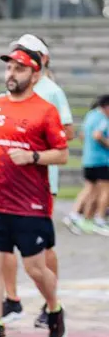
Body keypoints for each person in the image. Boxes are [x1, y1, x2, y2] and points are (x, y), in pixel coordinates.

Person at [0, 46, 68, 337]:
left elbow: (62, 154)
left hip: (31, 205)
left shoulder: (46, 111)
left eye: (19, 69)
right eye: (9, 68)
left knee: (36, 269)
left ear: (35, 74)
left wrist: (33, 157)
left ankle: (54, 307)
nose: (11, 74)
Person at [0, 35, 74, 327]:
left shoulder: (51, 92)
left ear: (39, 61)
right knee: (1, 245)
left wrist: (34, 145)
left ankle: (49, 302)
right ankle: (11, 299)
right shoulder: (9, 90)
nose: (15, 64)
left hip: (39, 181)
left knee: (42, 248)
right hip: (6, 179)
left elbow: (66, 133)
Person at [64, 95, 109, 235]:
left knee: (90, 189)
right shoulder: (103, 118)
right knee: (105, 190)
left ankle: (77, 216)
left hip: (89, 159)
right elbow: (97, 135)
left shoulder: (90, 115)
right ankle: (99, 219)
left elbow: (82, 135)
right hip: (102, 160)